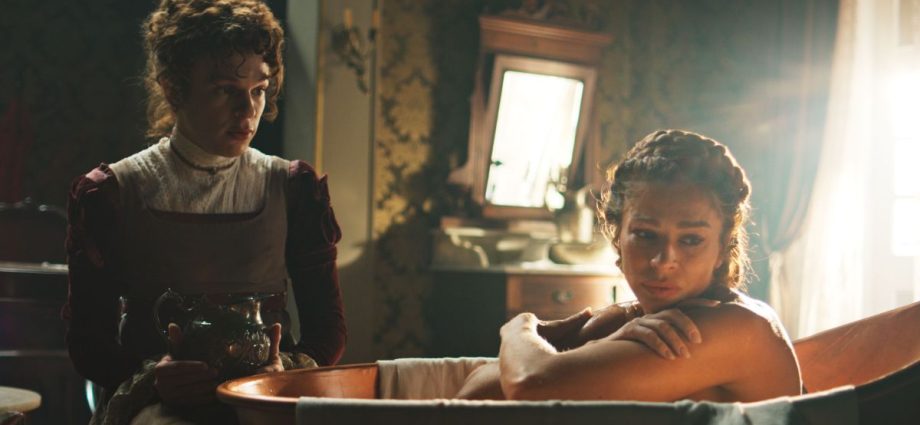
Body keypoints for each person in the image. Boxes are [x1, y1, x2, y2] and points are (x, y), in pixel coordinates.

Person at [62, 0, 346, 423]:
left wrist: (282, 373)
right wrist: (154, 379)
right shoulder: (113, 193)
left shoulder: (293, 189)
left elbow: (328, 330)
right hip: (158, 407)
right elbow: (88, 343)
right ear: (174, 89)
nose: (248, 110)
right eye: (226, 90)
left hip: (260, 401)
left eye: (259, 89)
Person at [457, 129, 801, 402]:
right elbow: (473, 395)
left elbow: (530, 384)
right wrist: (596, 345)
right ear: (617, 235)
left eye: (691, 240)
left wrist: (518, 327)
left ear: (723, 247)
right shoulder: (633, 320)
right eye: (646, 234)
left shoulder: (735, 328)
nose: (663, 261)